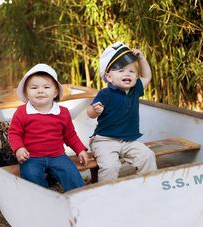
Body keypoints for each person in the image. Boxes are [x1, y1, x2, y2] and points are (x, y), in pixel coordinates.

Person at [8, 63, 89, 192]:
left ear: (56, 91)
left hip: (58, 156)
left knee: (71, 174)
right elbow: (14, 133)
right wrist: (19, 148)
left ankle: (78, 197)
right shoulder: (22, 112)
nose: (40, 91)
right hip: (31, 157)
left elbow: (70, 135)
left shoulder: (62, 112)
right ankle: (45, 197)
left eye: (46, 87)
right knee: (31, 175)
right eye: (34, 88)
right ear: (26, 92)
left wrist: (80, 150)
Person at [87, 41, 157, 182]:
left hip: (129, 140)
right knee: (110, 166)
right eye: (121, 71)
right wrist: (95, 110)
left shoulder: (135, 89)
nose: (127, 74)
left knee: (147, 156)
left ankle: (150, 187)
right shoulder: (105, 93)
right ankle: (106, 193)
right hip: (104, 140)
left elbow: (147, 77)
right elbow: (89, 112)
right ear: (109, 77)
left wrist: (142, 59)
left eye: (131, 71)